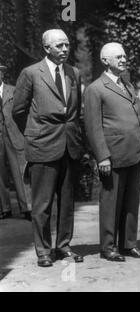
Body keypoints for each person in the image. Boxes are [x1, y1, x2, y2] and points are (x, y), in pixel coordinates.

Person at [12, 29, 84, 267]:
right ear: (46, 48)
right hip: (42, 146)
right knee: (42, 205)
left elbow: (76, 111)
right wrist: (36, 134)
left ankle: (63, 247)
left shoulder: (75, 73)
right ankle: (43, 251)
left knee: (66, 204)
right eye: (59, 46)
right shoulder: (30, 74)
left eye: (67, 45)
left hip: (69, 146)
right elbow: (19, 111)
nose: (65, 49)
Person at [84, 42, 140, 262]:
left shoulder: (127, 84)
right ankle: (108, 246)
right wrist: (102, 156)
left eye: (124, 56)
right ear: (105, 60)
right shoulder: (96, 88)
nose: (123, 59)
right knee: (111, 203)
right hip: (112, 156)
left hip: (135, 153)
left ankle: (128, 244)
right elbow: (93, 127)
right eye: (118, 57)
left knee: (132, 202)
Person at [0, 63, 32, 221]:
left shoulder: (13, 90)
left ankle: (27, 207)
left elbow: (23, 110)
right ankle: (4, 209)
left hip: (15, 134)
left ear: (2, 74)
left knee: (21, 170)